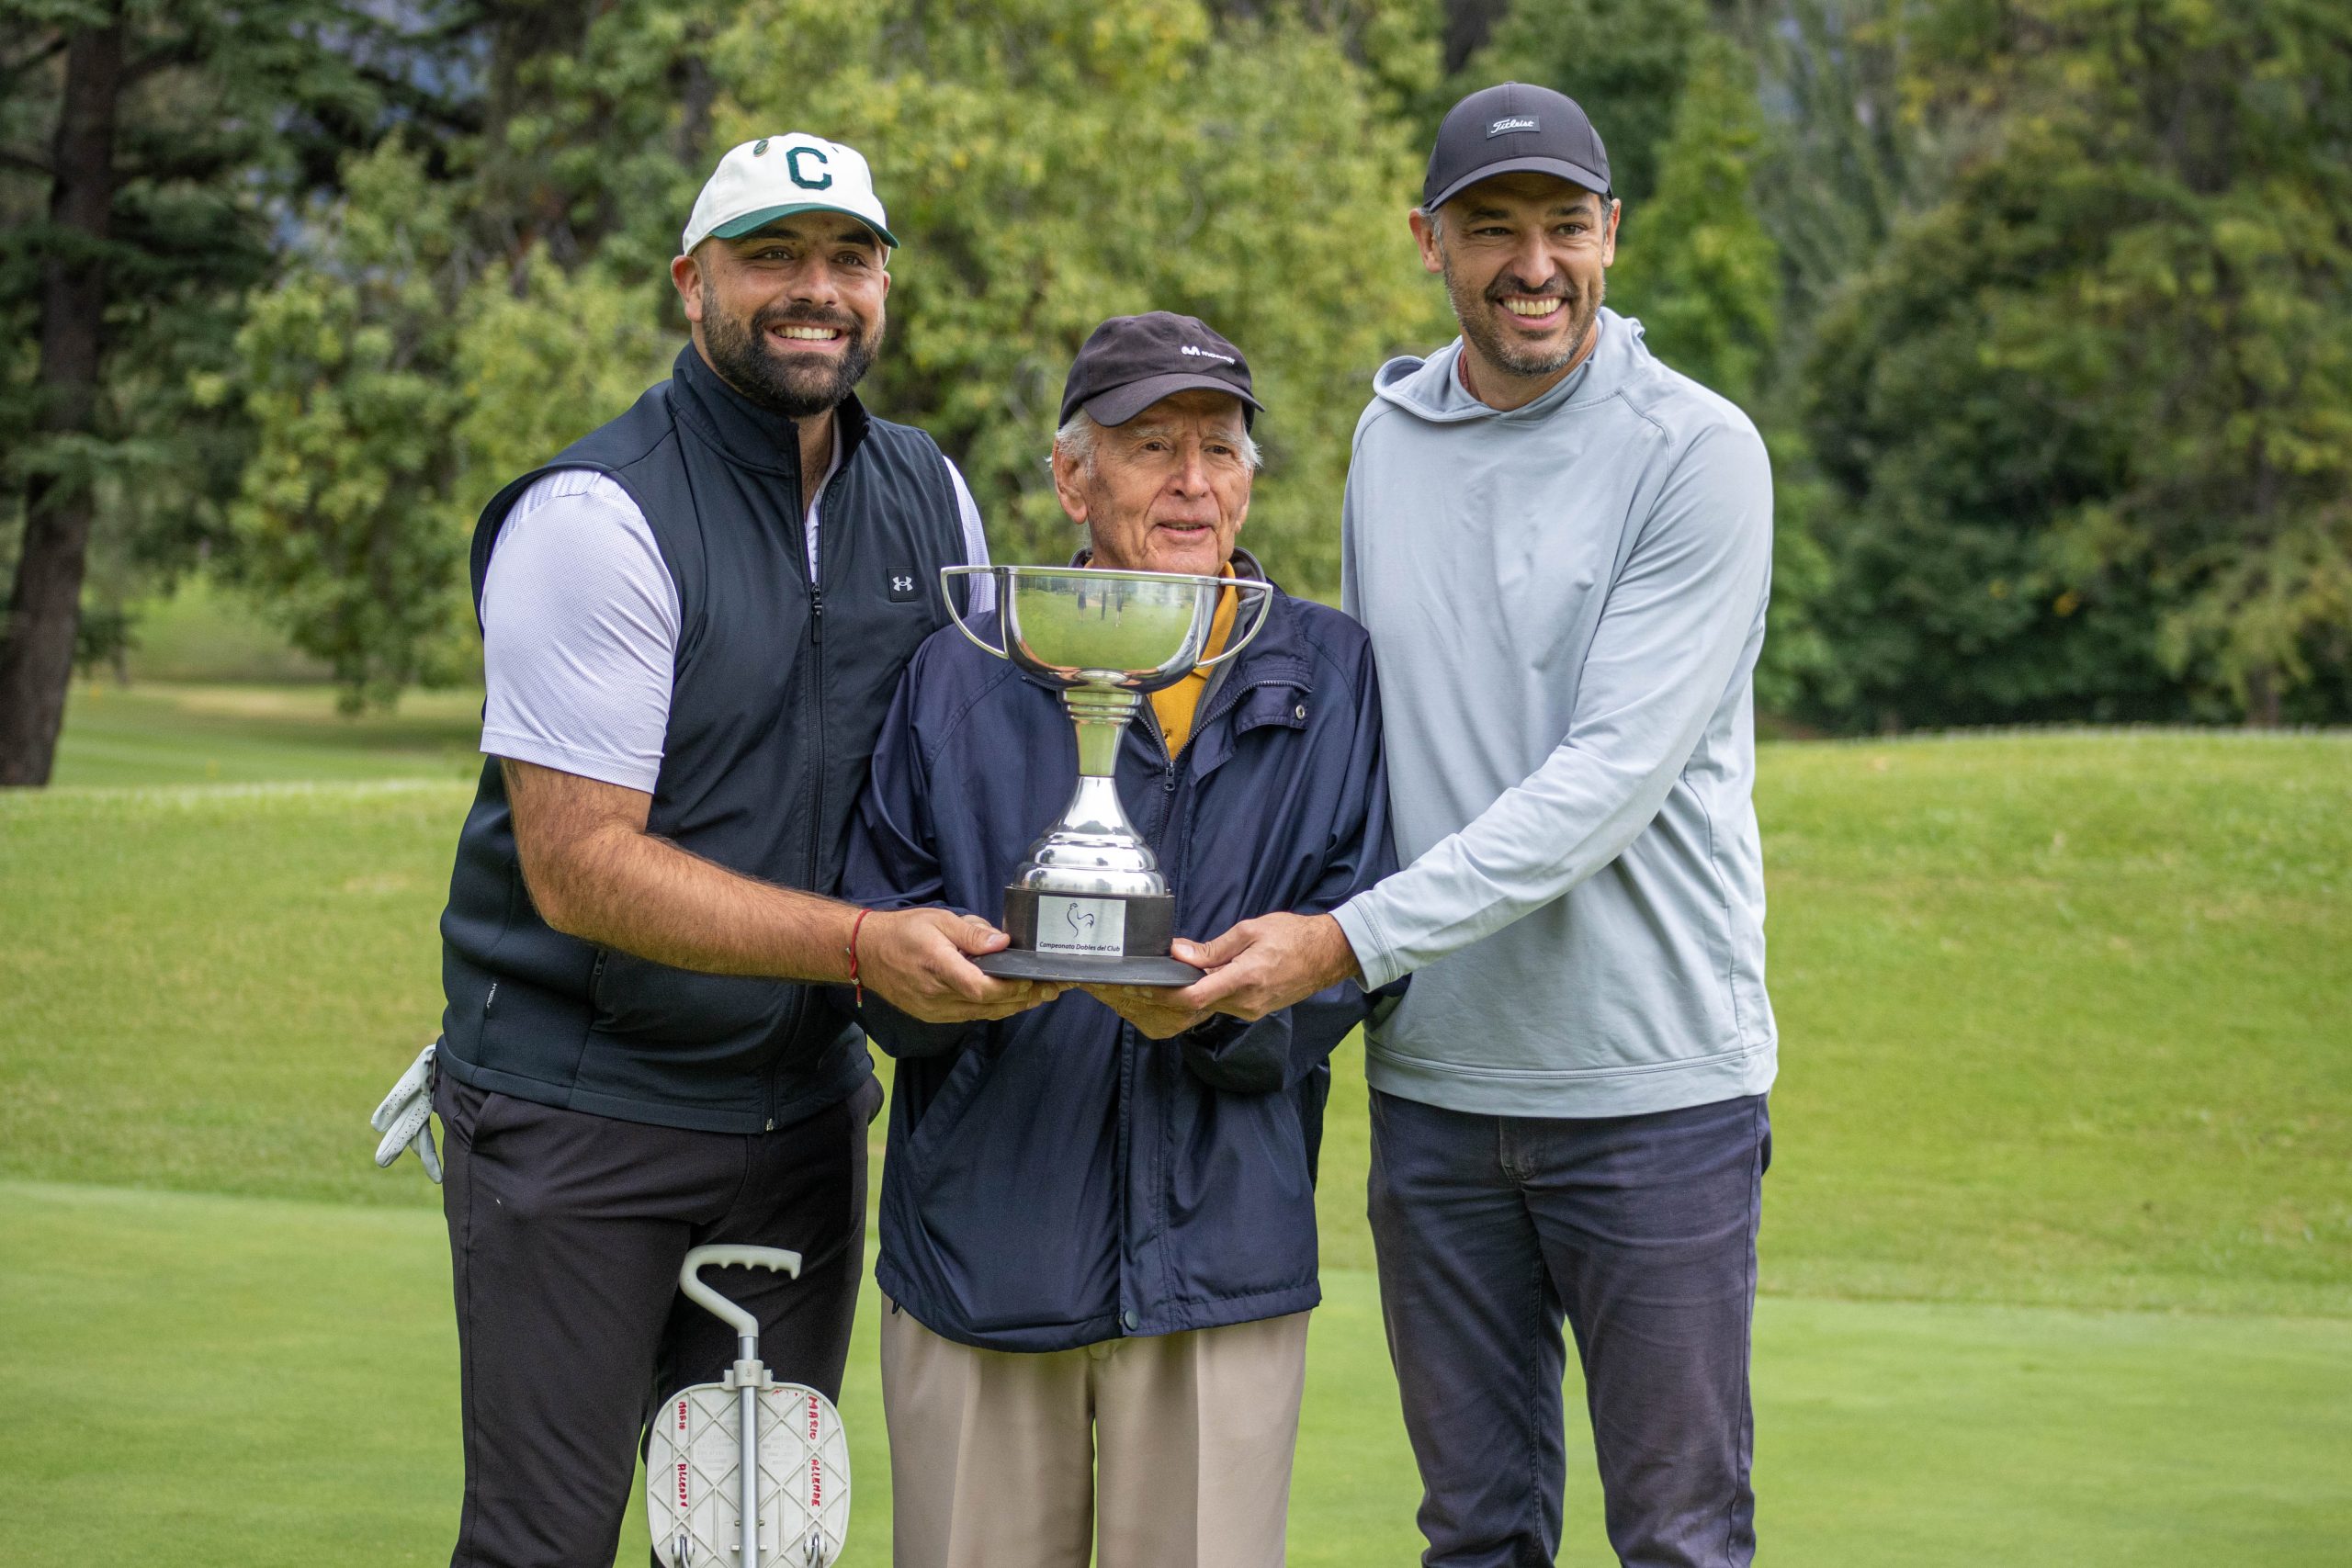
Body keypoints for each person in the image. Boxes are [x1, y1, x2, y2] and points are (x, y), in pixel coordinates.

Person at [423, 133, 1060, 1568]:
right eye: (772, 257)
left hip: (804, 1121)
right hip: (583, 1117)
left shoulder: (931, 495)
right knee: (542, 1544)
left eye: (848, 259)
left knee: (756, 1549)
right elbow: (582, 868)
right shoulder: (593, 517)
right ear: (691, 283)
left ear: (883, 285)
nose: (814, 289)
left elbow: (972, 769)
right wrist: (861, 945)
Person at [1174, 85, 1780, 1567]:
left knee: (1680, 1539)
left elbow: (1604, 783)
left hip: (1651, 1094)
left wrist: (1341, 942)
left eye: (1566, 226)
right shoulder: (1388, 442)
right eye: (1493, 228)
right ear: (1428, 241)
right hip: (1439, 1092)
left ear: (1612, 234)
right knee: (1474, 1536)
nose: (1534, 264)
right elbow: (1370, 737)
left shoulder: (1697, 451)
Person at [841, 312, 1402, 1568]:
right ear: (1071, 477)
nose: (1193, 482)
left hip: (1219, 1260)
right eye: (1152, 446)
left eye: (1221, 447)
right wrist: (924, 983)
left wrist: (1238, 1012)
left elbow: (1364, 928)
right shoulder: (957, 671)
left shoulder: (1331, 671)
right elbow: (876, 930)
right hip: (982, 1251)